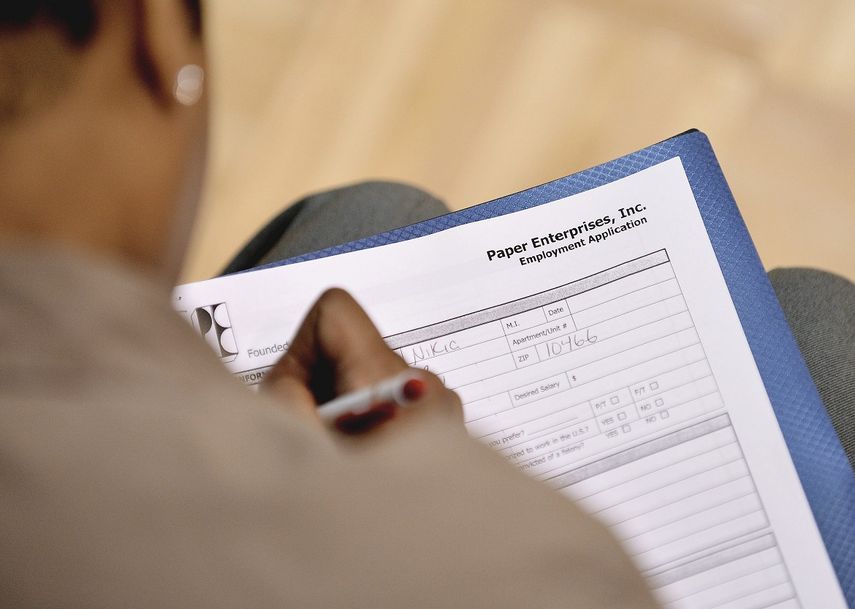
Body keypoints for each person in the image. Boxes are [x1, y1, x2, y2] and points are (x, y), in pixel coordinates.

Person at [0, 3, 851, 609]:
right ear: (155, 32)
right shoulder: (510, 563)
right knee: (818, 324)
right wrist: (430, 500)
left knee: (380, 213)